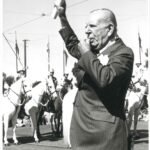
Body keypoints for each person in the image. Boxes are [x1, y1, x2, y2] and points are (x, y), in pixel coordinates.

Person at [55, 1, 134, 150]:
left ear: (109, 29)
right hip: (81, 134)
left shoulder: (123, 53)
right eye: (86, 27)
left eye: (92, 26)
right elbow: (73, 44)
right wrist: (62, 16)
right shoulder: (92, 51)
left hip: (106, 138)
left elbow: (106, 79)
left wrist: (86, 53)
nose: (86, 31)